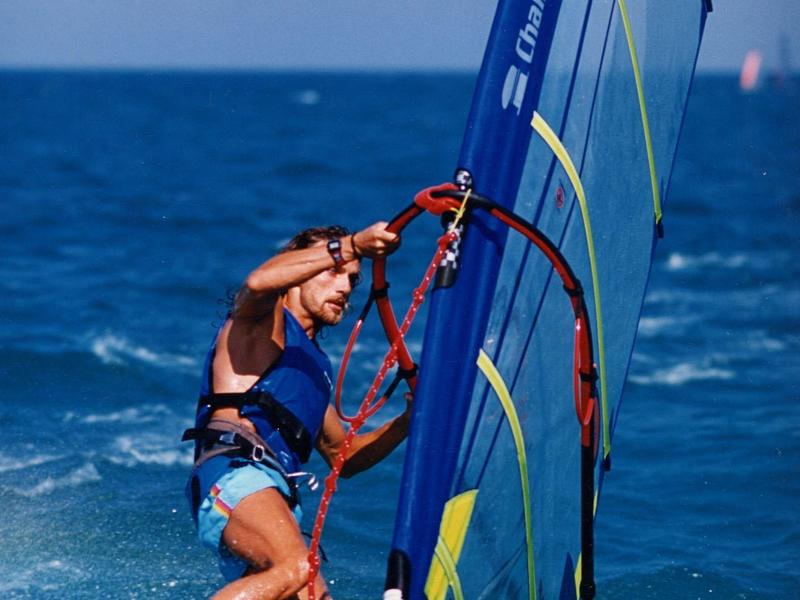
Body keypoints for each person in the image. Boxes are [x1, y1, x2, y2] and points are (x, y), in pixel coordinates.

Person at [183, 223, 411, 600]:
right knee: (299, 570)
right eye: (334, 272)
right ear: (299, 271)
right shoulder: (259, 323)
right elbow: (259, 282)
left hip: (276, 495)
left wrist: (405, 423)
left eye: (352, 280)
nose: (344, 288)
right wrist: (352, 246)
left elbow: (344, 457)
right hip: (238, 471)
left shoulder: (312, 366)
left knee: (313, 593)